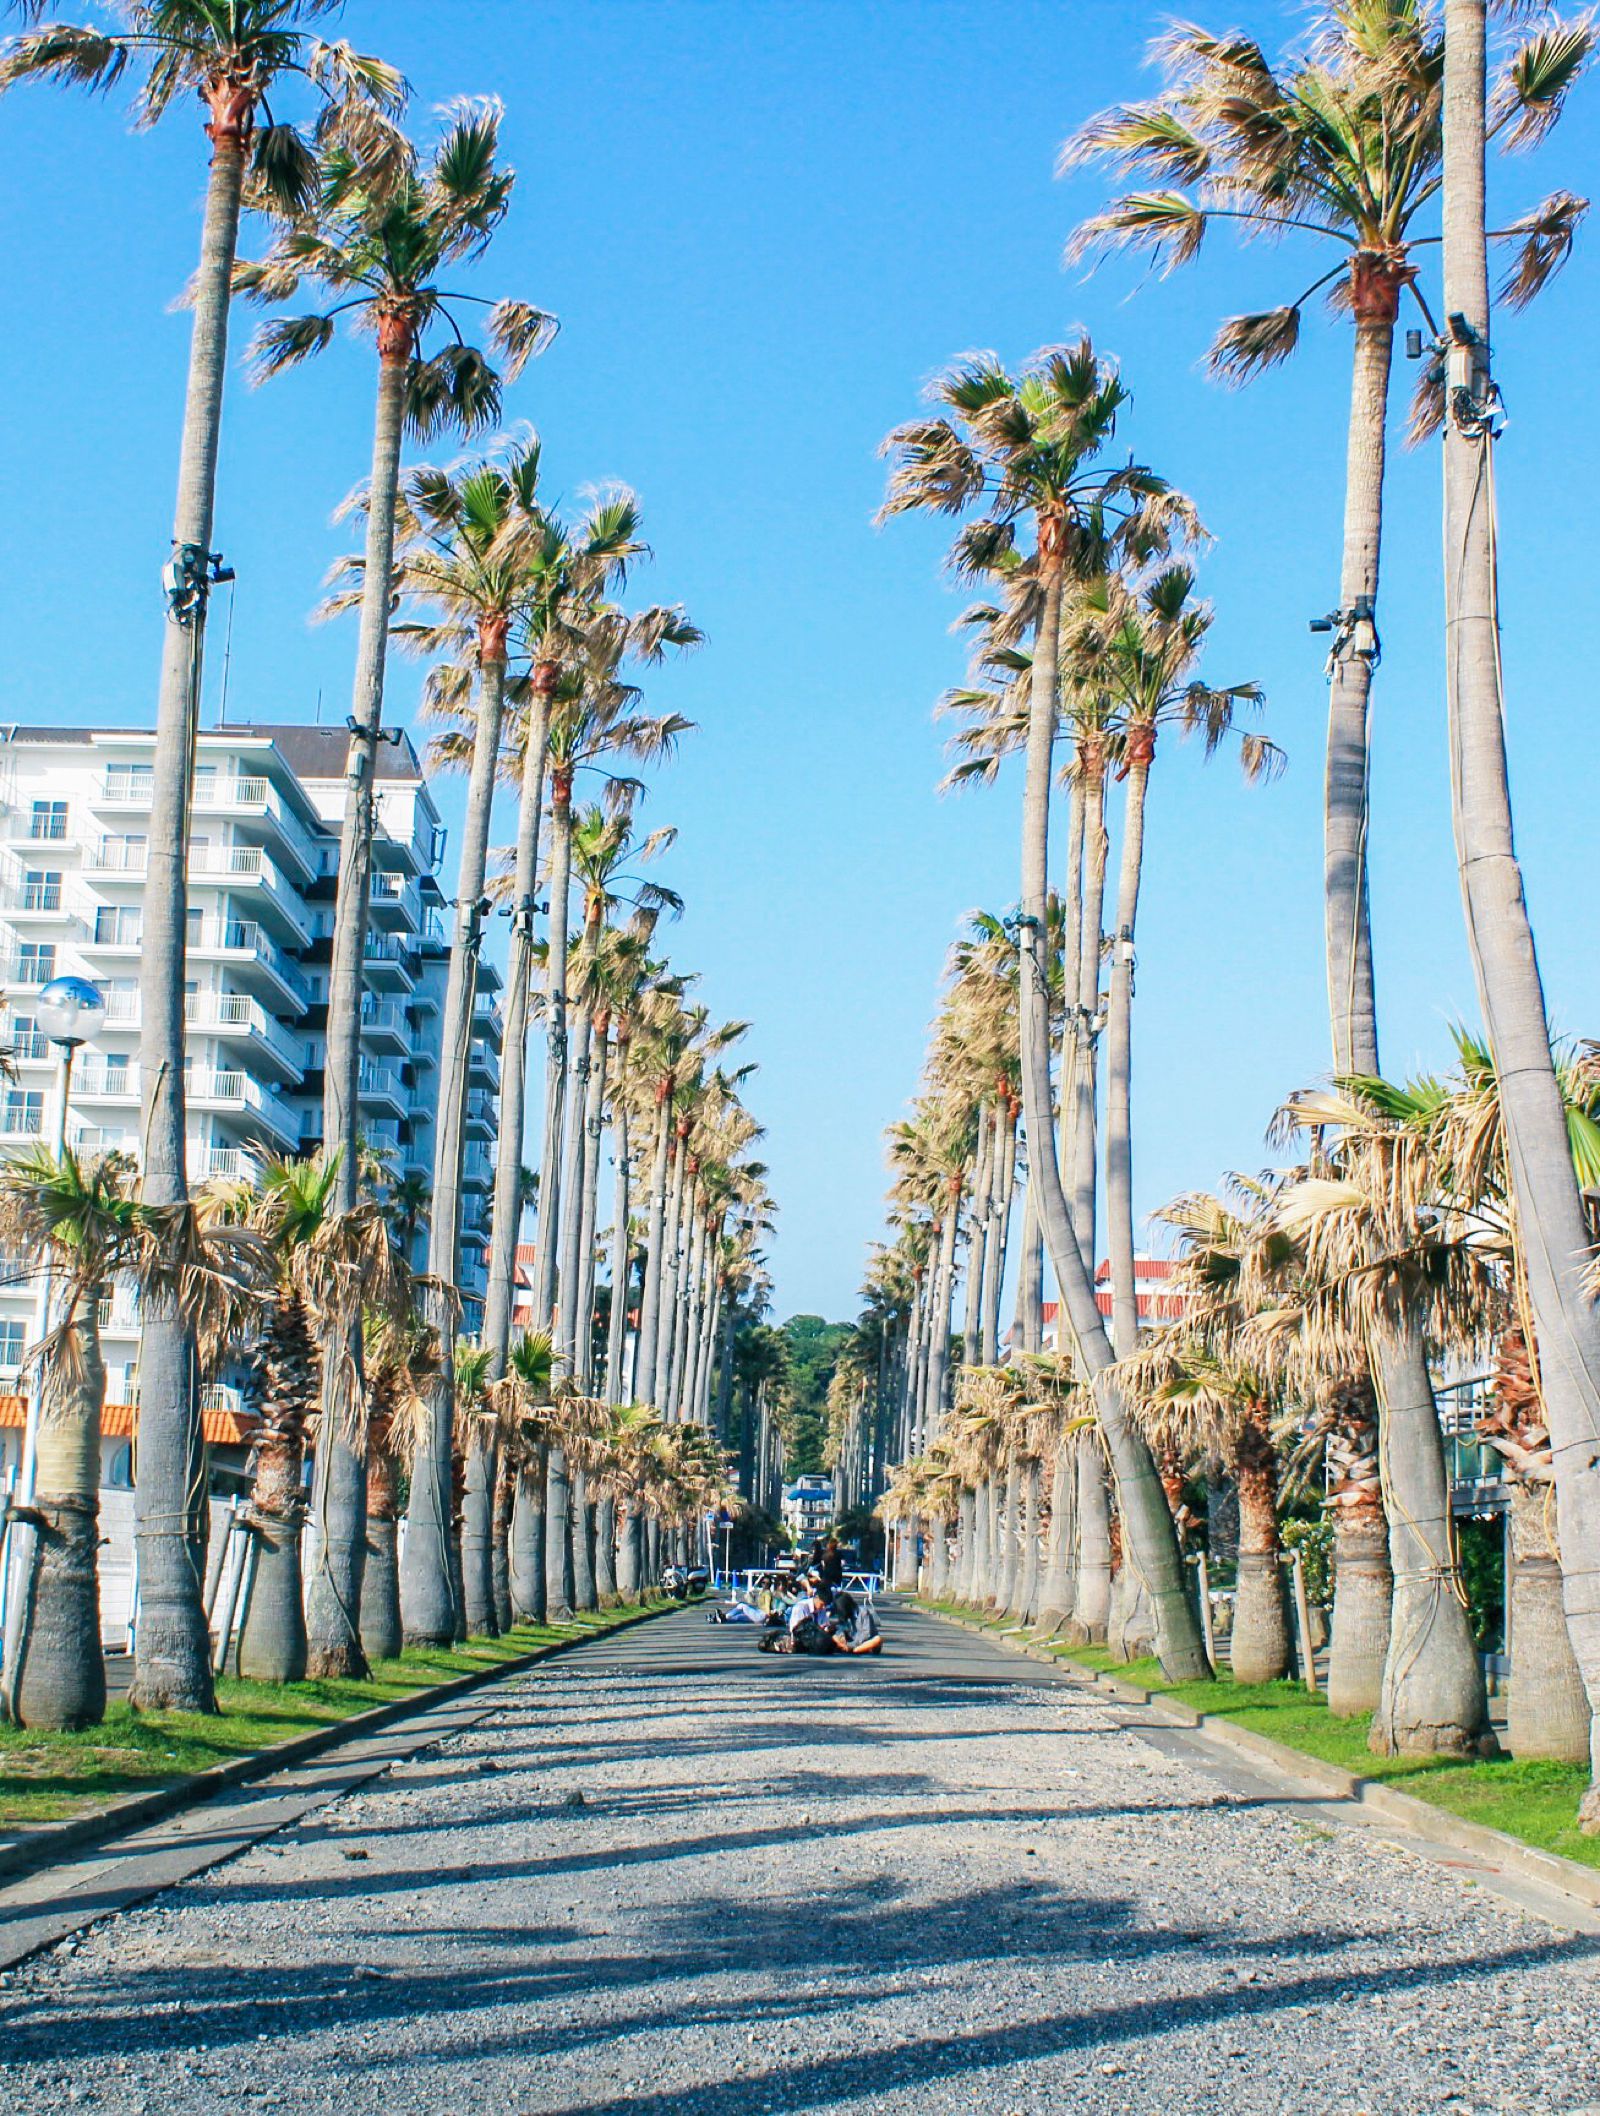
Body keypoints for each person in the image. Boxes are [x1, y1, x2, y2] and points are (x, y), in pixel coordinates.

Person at [827, 1591, 881, 1656]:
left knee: (877, 1639)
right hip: (850, 1642)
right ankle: (851, 1650)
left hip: (864, 1642)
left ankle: (854, 1650)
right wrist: (841, 1637)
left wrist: (851, 1645)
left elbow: (866, 1634)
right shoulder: (843, 1616)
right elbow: (841, 1628)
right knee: (834, 1636)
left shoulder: (863, 1612)